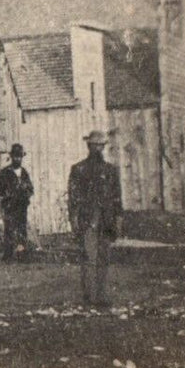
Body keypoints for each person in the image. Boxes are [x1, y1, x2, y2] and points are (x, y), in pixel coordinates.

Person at [68, 130, 124, 307]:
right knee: (88, 258)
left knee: (103, 258)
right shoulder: (78, 169)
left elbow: (117, 198)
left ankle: (101, 296)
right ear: (88, 146)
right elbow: (73, 198)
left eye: (101, 145)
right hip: (87, 221)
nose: (98, 148)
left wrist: (118, 220)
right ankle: (88, 297)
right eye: (95, 145)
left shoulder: (111, 171)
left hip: (106, 220)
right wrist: (74, 221)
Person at [0, 143, 34, 262]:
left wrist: (26, 193)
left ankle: (22, 255)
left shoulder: (24, 173)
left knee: (22, 229)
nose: (18, 159)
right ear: (11, 157)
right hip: (10, 206)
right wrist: (6, 194)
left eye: (20, 156)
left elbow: (31, 189)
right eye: (15, 156)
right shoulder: (5, 172)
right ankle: (8, 255)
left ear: (22, 157)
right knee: (10, 229)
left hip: (21, 206)